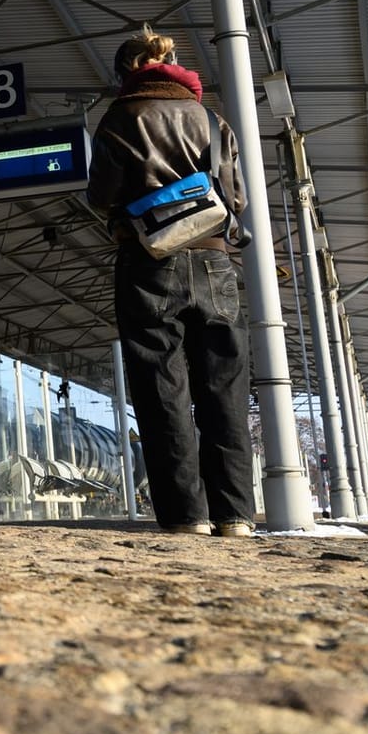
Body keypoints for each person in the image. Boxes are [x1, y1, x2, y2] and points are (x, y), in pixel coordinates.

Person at [87, 29, 254, 538]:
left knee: (162, 389)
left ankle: (187, 517)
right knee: (224, 389)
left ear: (125, 74)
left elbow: (101, 196)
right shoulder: (211, 119)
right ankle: (236, 517)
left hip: (148, 260)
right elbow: (237, 197)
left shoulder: (121, 117)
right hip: (214, 260)